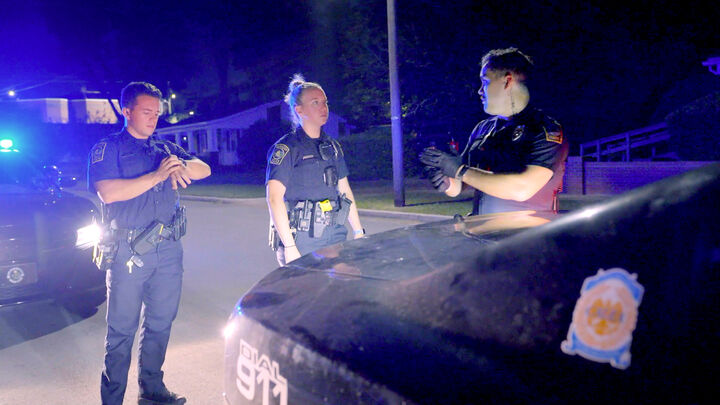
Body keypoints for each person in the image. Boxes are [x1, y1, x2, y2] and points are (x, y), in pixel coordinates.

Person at [88, 82, 211, 405]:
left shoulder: (164, 148)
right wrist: (157, 176)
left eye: (156, 112)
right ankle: (112, 399)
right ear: (126, 111)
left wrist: (181, 166)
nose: (153, 118)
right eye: (146, 112)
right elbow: (108, 192)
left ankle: (152, 389)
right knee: (121, 331)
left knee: (160, 323)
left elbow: (204, 169)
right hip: (128, 251)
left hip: (168, 250)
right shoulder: (109, 148)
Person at [421, 47, 568, 215]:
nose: (479, 91)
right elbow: (462, 184)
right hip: (483, 228)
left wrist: (460, 170)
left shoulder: (544, 129)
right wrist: (446, 180)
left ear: (507, 81)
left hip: (529, 231)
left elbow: (522, 189)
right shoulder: (483, 129)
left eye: (485, 82)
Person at [266, 74, 365, 265]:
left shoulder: (332, 146)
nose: (323, 108)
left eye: (325, 102)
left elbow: (345, 191)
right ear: (299, 110)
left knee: (339, 283)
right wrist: (290, 246)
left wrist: (359, 231)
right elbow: (274, 198)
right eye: (315, 103)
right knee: (306, 285)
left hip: (334, 234)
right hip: (301, 239)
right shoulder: (287, 148)